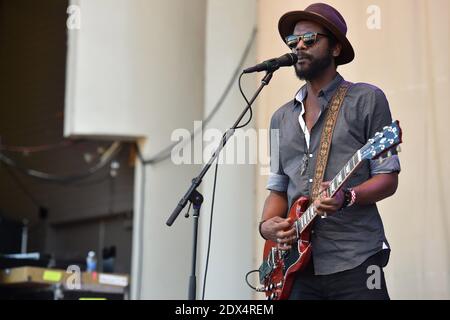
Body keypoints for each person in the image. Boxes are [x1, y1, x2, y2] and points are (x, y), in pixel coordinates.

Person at [259, 3, 401, 300]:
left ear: (335, 48)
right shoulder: (280, 118)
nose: (299, 46)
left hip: (356, 259)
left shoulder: (366, 99)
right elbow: (277, 190)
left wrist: (347, 196)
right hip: (296, 268)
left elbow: (388, 178)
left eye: (309, 39)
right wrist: (267, 227)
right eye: (293, 41)